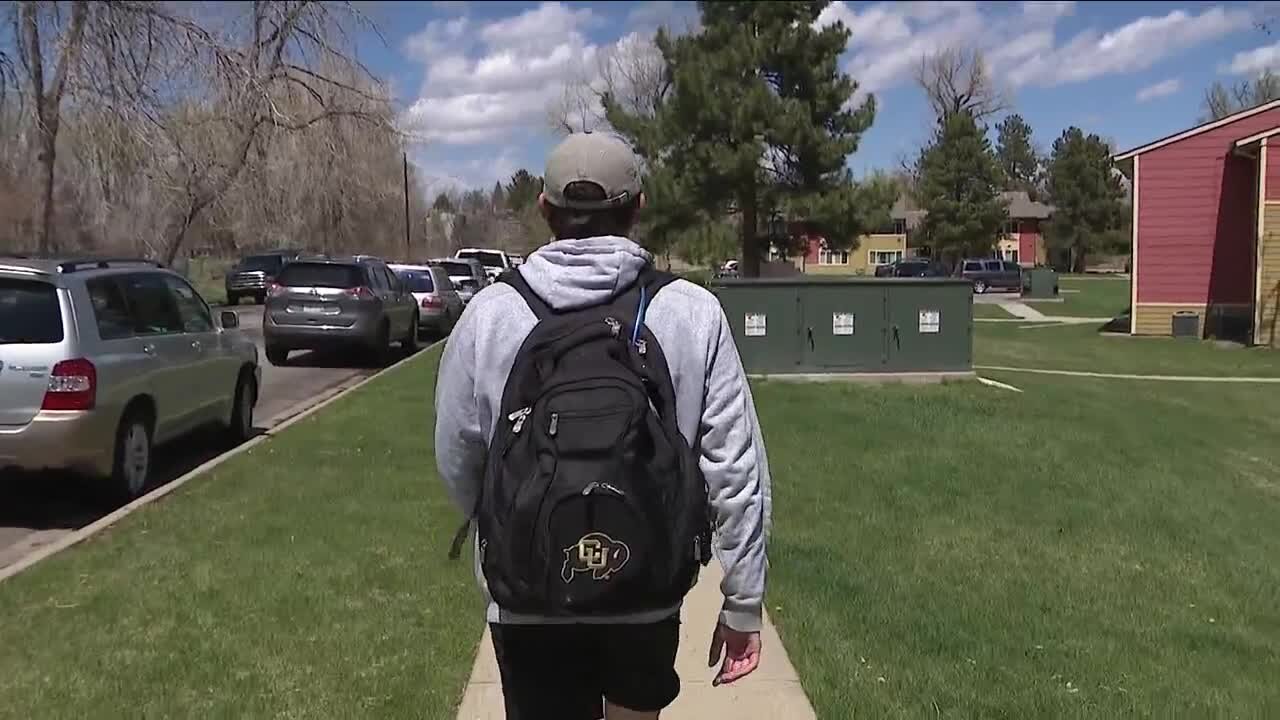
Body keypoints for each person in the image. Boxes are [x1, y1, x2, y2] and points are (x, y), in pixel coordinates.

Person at [435, 132, 772, 720]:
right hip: (644, 591)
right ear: (638, 207)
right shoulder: (692, 313)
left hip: (529, 596)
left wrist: (507, 530)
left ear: (544, 209)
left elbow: (459, 456)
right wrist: (742, 601)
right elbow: (735, 468)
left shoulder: (490, 314)